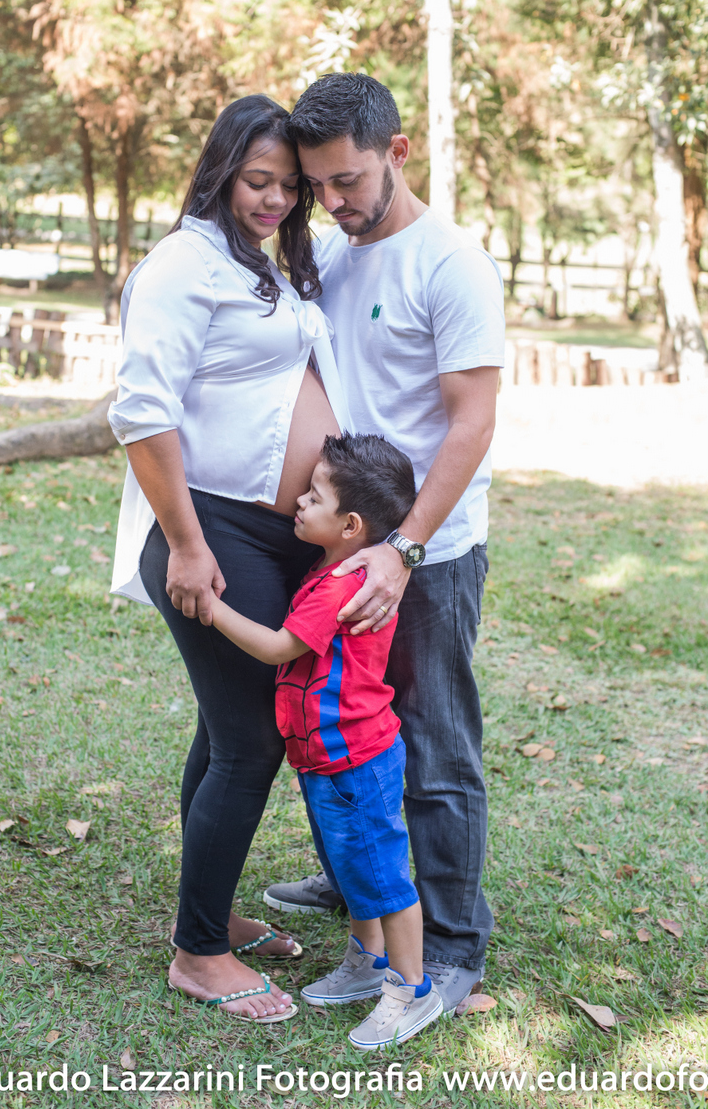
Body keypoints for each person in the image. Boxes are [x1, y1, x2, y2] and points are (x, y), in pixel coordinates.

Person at [263, 73, 505, 1014]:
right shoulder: (331, 251)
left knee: (436, 748)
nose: (331, 200)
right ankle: (361, 885)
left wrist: (399, 550)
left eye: (348, 180)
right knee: (340, 729)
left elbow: (471, 422)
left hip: (426, 555)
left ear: (396, 153)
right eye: (317, 183)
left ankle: (447, 946)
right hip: (341, 548)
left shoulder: (451, 264)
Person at [107, 95, 352, 1023]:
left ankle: (212, 913)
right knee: (251, 743)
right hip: (211, 528)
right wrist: (186, 544)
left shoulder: (266, 263)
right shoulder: (180, 265)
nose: (276, 200)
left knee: (225, 732)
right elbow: (141, 410)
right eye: (258, 181)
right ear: (218, 170)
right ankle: (198, 952)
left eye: (290, 187)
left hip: (269, 535)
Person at [209, 432, 447, 1049]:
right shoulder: (334, 565)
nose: (299, 501)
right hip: (329, 758)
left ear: (350, 524)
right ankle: (368, 964)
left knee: (384, 879)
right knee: (354, 868)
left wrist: (209, 607)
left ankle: (411, 991)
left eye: (313, 496)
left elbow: (275, 647)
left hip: (352, 759)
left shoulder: (341, 587)